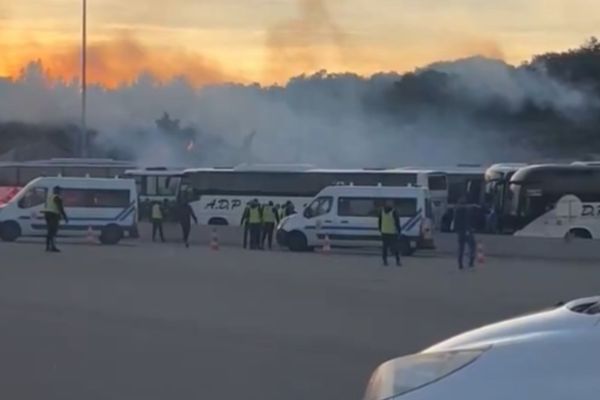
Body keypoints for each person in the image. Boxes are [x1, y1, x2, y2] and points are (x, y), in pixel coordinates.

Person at [454, 196, 476, 269]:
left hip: (460, 232)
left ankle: (460, 263)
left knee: (461, 248)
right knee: (472, 246)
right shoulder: (466, 210)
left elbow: (456, 222)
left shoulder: (457, 210)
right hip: (467, 231)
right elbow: (467, 221)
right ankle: (471, 261)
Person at [44, 186, 68, 252]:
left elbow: (46, 206)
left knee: (49, 232)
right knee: (53, 232)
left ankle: (47, 246)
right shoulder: (57, 198)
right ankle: (53, 247)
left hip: (47, 215)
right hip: (53, 216)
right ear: (58, 191)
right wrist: (65, 217)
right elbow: (60, 208)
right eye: (60, 191)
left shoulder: (50, 197)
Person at [378, 201, 402, 267]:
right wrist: (399, 231)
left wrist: (380, 229)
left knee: (384, 248)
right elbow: (397, 222)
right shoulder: (394, 212)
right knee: (395, 248)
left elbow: (379, 221)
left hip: (384, 232)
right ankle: (398, 261)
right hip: (392, 232)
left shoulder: (382, 211)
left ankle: (385, 261)